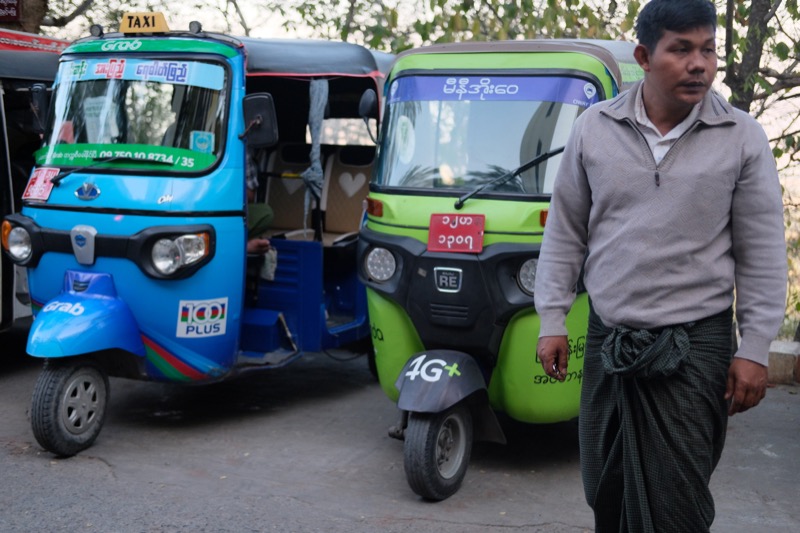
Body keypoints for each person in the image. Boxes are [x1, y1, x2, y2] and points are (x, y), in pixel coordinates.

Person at [532, 0, 788, 531]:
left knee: (677, 503)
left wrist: (755, 346)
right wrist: (552, 318)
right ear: (645, 56)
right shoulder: (593, 129)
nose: (700, 64)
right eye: (683, 49)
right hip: (610, 341)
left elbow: (761, 252)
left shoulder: (741, 137)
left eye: (709, 49)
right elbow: (564, 232)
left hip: (695, 349)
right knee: (606, 486)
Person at [245, 147, 273, 254]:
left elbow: (250, 196)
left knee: (265, 213)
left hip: (228, 205)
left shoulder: (239, 150)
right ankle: (242, 246)